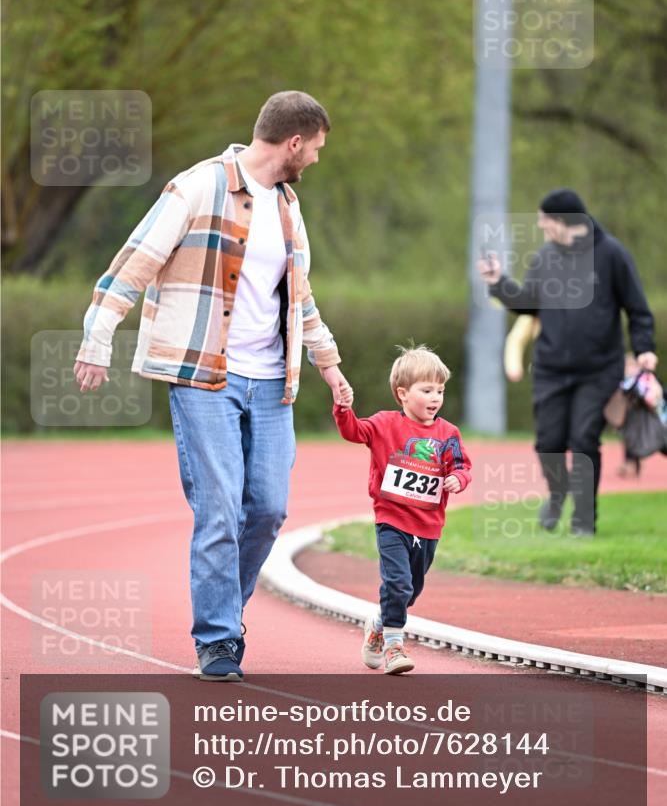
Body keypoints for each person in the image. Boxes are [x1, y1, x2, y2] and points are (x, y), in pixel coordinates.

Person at [73, 90, 352, 681]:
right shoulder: (198, 187)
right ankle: (219, 638)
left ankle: (225, 606)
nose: (316, 159)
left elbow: (299, 296)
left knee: (268, 509)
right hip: (204, 376)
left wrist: (328, 363)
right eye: (316, 149)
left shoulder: (288, 206)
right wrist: (98, 339)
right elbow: (133, 263)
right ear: (293, 143)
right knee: (220, 509)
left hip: (272, 382)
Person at [477, 188, 657, 537]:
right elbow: (529, 302)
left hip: (598, 370)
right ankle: (558, 494)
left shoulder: (612, 254)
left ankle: (584, 521)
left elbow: (637, 309)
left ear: (565, 221)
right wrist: (498, 284)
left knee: (584, 439)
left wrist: (644, 347)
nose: (542, 228)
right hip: (550, 369)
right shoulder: (546, 257)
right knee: (549, 443)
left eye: (545, 222)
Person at [333, 345, 472, 674]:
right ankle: (394, 647)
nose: (435, 397)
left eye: (440, 390)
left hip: (428, 526)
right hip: (392, 520)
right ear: (403, 394)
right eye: (427, 390)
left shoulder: (448, 433)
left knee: (410, 590)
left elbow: (462, 465)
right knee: (398, 583)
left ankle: (378, 625)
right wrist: (343, 409)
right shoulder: (384, 424)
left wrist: (458, 478)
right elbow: (354, 432)